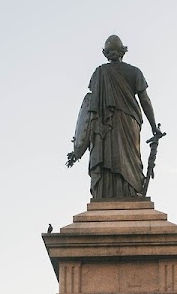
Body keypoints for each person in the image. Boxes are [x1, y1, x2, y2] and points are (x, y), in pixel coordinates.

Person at [67, 35, 162, 199]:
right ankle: (130, 193)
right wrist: (154, 127)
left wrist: (79, 148)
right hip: (128, 122)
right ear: (123, 51)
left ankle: (105, 195)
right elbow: (144, 100)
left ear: (106, 53)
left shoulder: (99, 73)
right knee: (130, 160)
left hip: (104, 125)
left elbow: (90, 112)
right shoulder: (134, 72)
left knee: (107, 158)